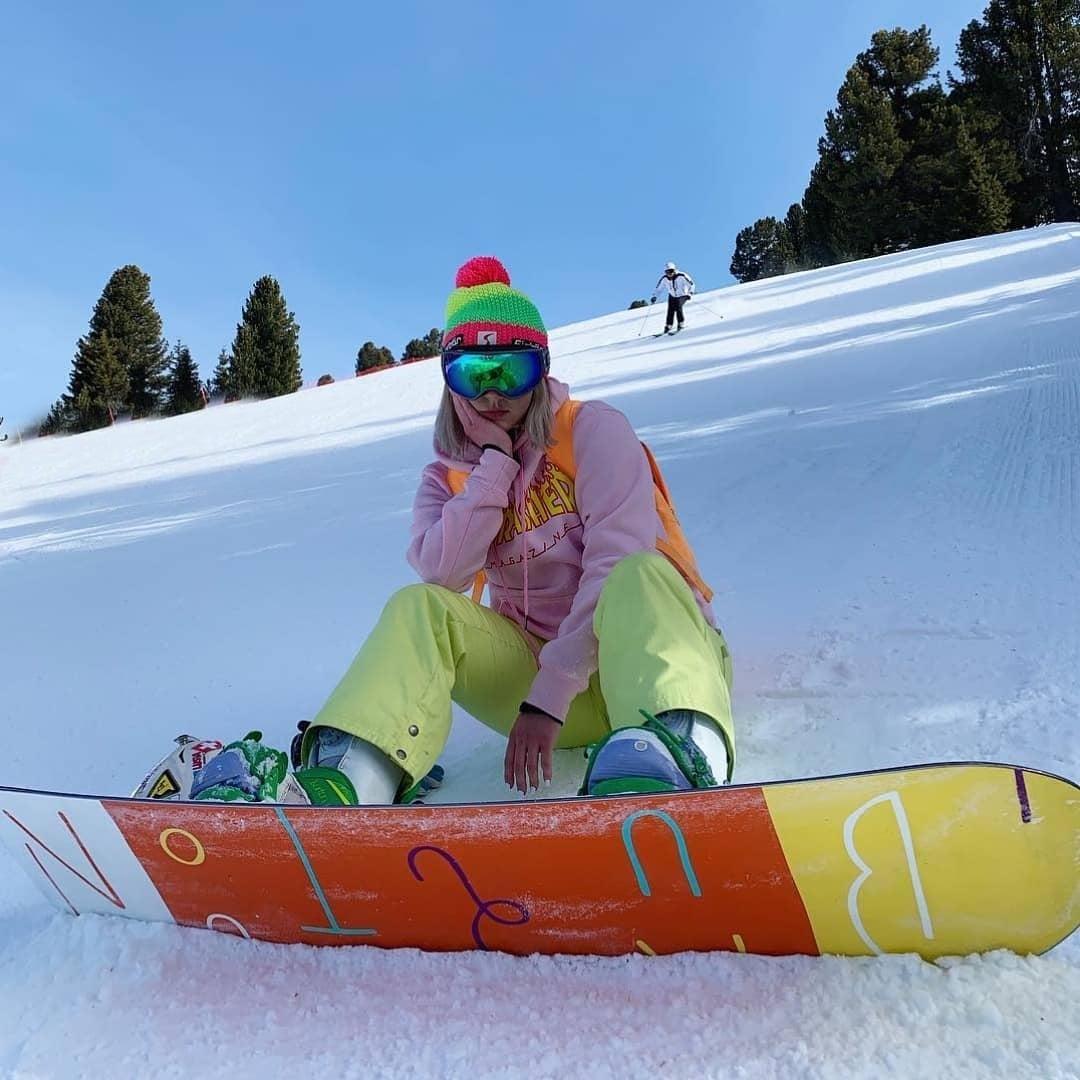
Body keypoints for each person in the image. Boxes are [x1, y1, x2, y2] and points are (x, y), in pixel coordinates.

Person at [138, 257, 734, 806]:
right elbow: (443, 576)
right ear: (451, 380)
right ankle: (353, 780)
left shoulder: (593, 431)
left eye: (513, 369)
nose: (496, 391)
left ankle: (681, 756)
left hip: (655, 663)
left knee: (638, 572)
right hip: (544, 693)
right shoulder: (447, 480)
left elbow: (616, 555)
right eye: (477, 373)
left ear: (542, 371)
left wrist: (551, 696)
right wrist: (494, 469)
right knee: (419, 607)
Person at [651, 262, 695, 334]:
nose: (669, 273)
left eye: (671, 271)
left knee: (678, 307)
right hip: (672, 295)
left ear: (674, 270)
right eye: (667, 272)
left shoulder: (682, 276)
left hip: (683, 294)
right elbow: (659, 288)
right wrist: (654, 296)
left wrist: (690, 293)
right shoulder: (664, 278)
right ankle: (669, 325)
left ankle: (681, 323)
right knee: (670, 310)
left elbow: (692, 284)